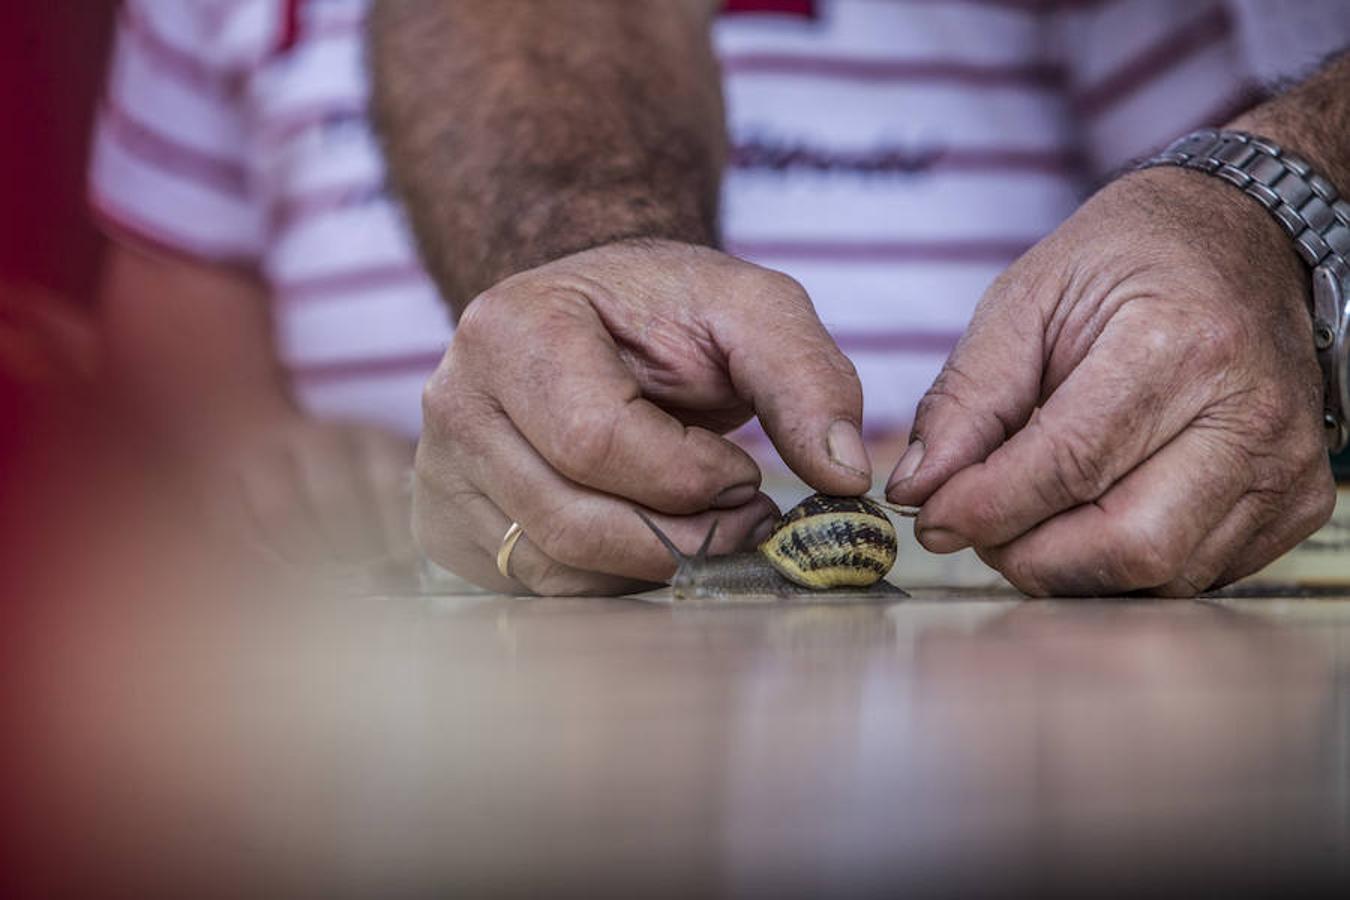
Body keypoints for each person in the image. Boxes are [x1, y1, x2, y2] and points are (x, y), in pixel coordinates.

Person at [93, 0, 1350, 593]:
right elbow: (174, 272)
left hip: (968, 574)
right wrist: (251, 446)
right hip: (431, 571)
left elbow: (1189, 213)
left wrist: (1073, 420)